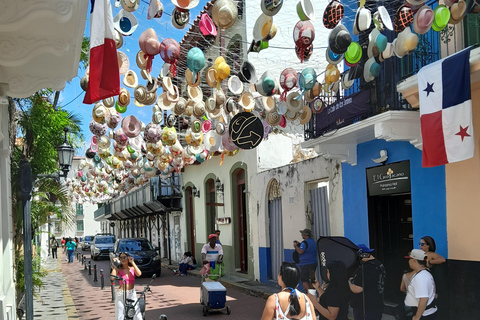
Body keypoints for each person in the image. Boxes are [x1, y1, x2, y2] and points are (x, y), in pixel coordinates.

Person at [350, 244, 386, 320]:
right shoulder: (379, 264)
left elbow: (357, 289)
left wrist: (348, 283)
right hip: (377, 304)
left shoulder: (365, 268)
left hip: (365, 307)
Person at [404, 249, 437, 320]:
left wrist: (417, 317)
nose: (409, 262)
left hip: (422, 315)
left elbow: (424, 299)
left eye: (410, 259)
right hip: (422, 313)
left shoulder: (421, 277)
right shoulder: (424, 273)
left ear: (414, 260)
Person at [111, 252, 142, 320]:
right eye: (121, 258)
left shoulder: (132, 269)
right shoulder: (119, 269)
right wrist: (115, 265)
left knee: (137, 314)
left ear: (128, 258)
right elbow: (112, 278)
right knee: (120, 315)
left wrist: (132, 262)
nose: (123, 259)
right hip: (121, 294)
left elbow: (139, 273)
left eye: (124, 257)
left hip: (131, 293)